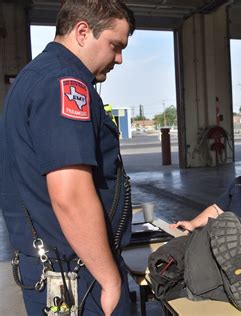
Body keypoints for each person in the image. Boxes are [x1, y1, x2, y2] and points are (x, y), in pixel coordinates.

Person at [0, 1, 135, 315]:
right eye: (115, 46)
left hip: (59, 267)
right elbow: (70, 195)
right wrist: (110, 279)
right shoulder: (64, 83)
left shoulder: (34, 78)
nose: (119, 59)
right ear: (83, 32)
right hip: (80, 275)